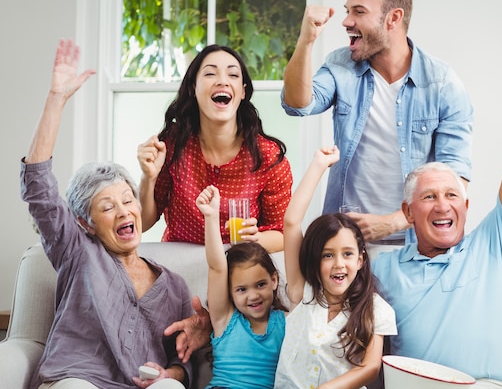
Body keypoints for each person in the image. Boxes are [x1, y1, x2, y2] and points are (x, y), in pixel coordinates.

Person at [371, 0, 502, 389]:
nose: (443, 205)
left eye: (451, 196)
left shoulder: (496, 244)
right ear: (408, 213)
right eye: (429, 197)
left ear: (466, 205)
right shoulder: (380, 267)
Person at [21, 39, 193, 389]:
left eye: (128, 200)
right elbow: (39, 188)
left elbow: (181, 363)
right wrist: (56, 99)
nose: (123, 211)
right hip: (77, 380)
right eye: (107, 206)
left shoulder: (174, 286)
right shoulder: (77, 251)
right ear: (85, 222)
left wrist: (169, 374)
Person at [281, 0, 473, 245]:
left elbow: (455, 177)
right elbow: (297, 103)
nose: (347, 21)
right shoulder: (341, 65)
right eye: (348, 11)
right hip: (346, 246)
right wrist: (306, 41)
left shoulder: (442, 84)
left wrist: (394, 221)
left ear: (393, 18)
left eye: (359, 12)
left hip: (417, 244)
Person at [138, 45, 293, 253]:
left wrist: (256, 239)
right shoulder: (172, 145)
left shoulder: (268, 156)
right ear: (193, 88)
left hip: (239, 270)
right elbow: (144, 223)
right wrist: (148, 177)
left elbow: (284, 235)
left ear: (243, 91)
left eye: (233, 74)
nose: (222, 80)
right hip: (180, 268)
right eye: (210, 73)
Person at [274, 146, 397, 389]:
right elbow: (291, 221)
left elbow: (371, 367)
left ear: (360, 260)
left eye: (347, 254)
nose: (339, 263)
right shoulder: (303, 293)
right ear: (315, 261)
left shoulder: (376, 309)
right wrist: (319, 165)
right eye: (327, 255)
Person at [195, 185, 288, 388]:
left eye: (260, 284)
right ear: (229, 292)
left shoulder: (286, 323)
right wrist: (211, 217)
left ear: (274, 280)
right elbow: (216, 267)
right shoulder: (224, 320)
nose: (253, 295)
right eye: (241, 289)